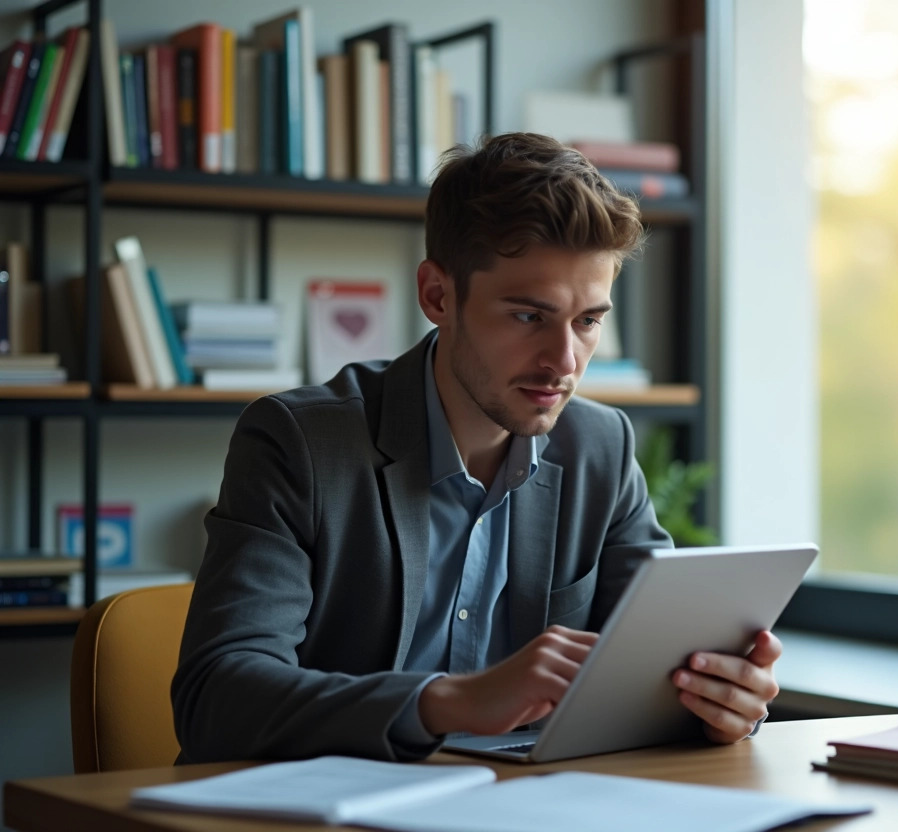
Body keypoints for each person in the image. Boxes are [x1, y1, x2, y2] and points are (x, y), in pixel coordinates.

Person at [171, 132, 783, 763]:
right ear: (438, 296)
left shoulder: (601, 447)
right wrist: (453, 701)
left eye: (588, 321)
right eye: (527, 316)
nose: (563, 362)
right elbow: (216, 698)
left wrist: (718, 702)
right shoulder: (299, 442)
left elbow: (653, 668)